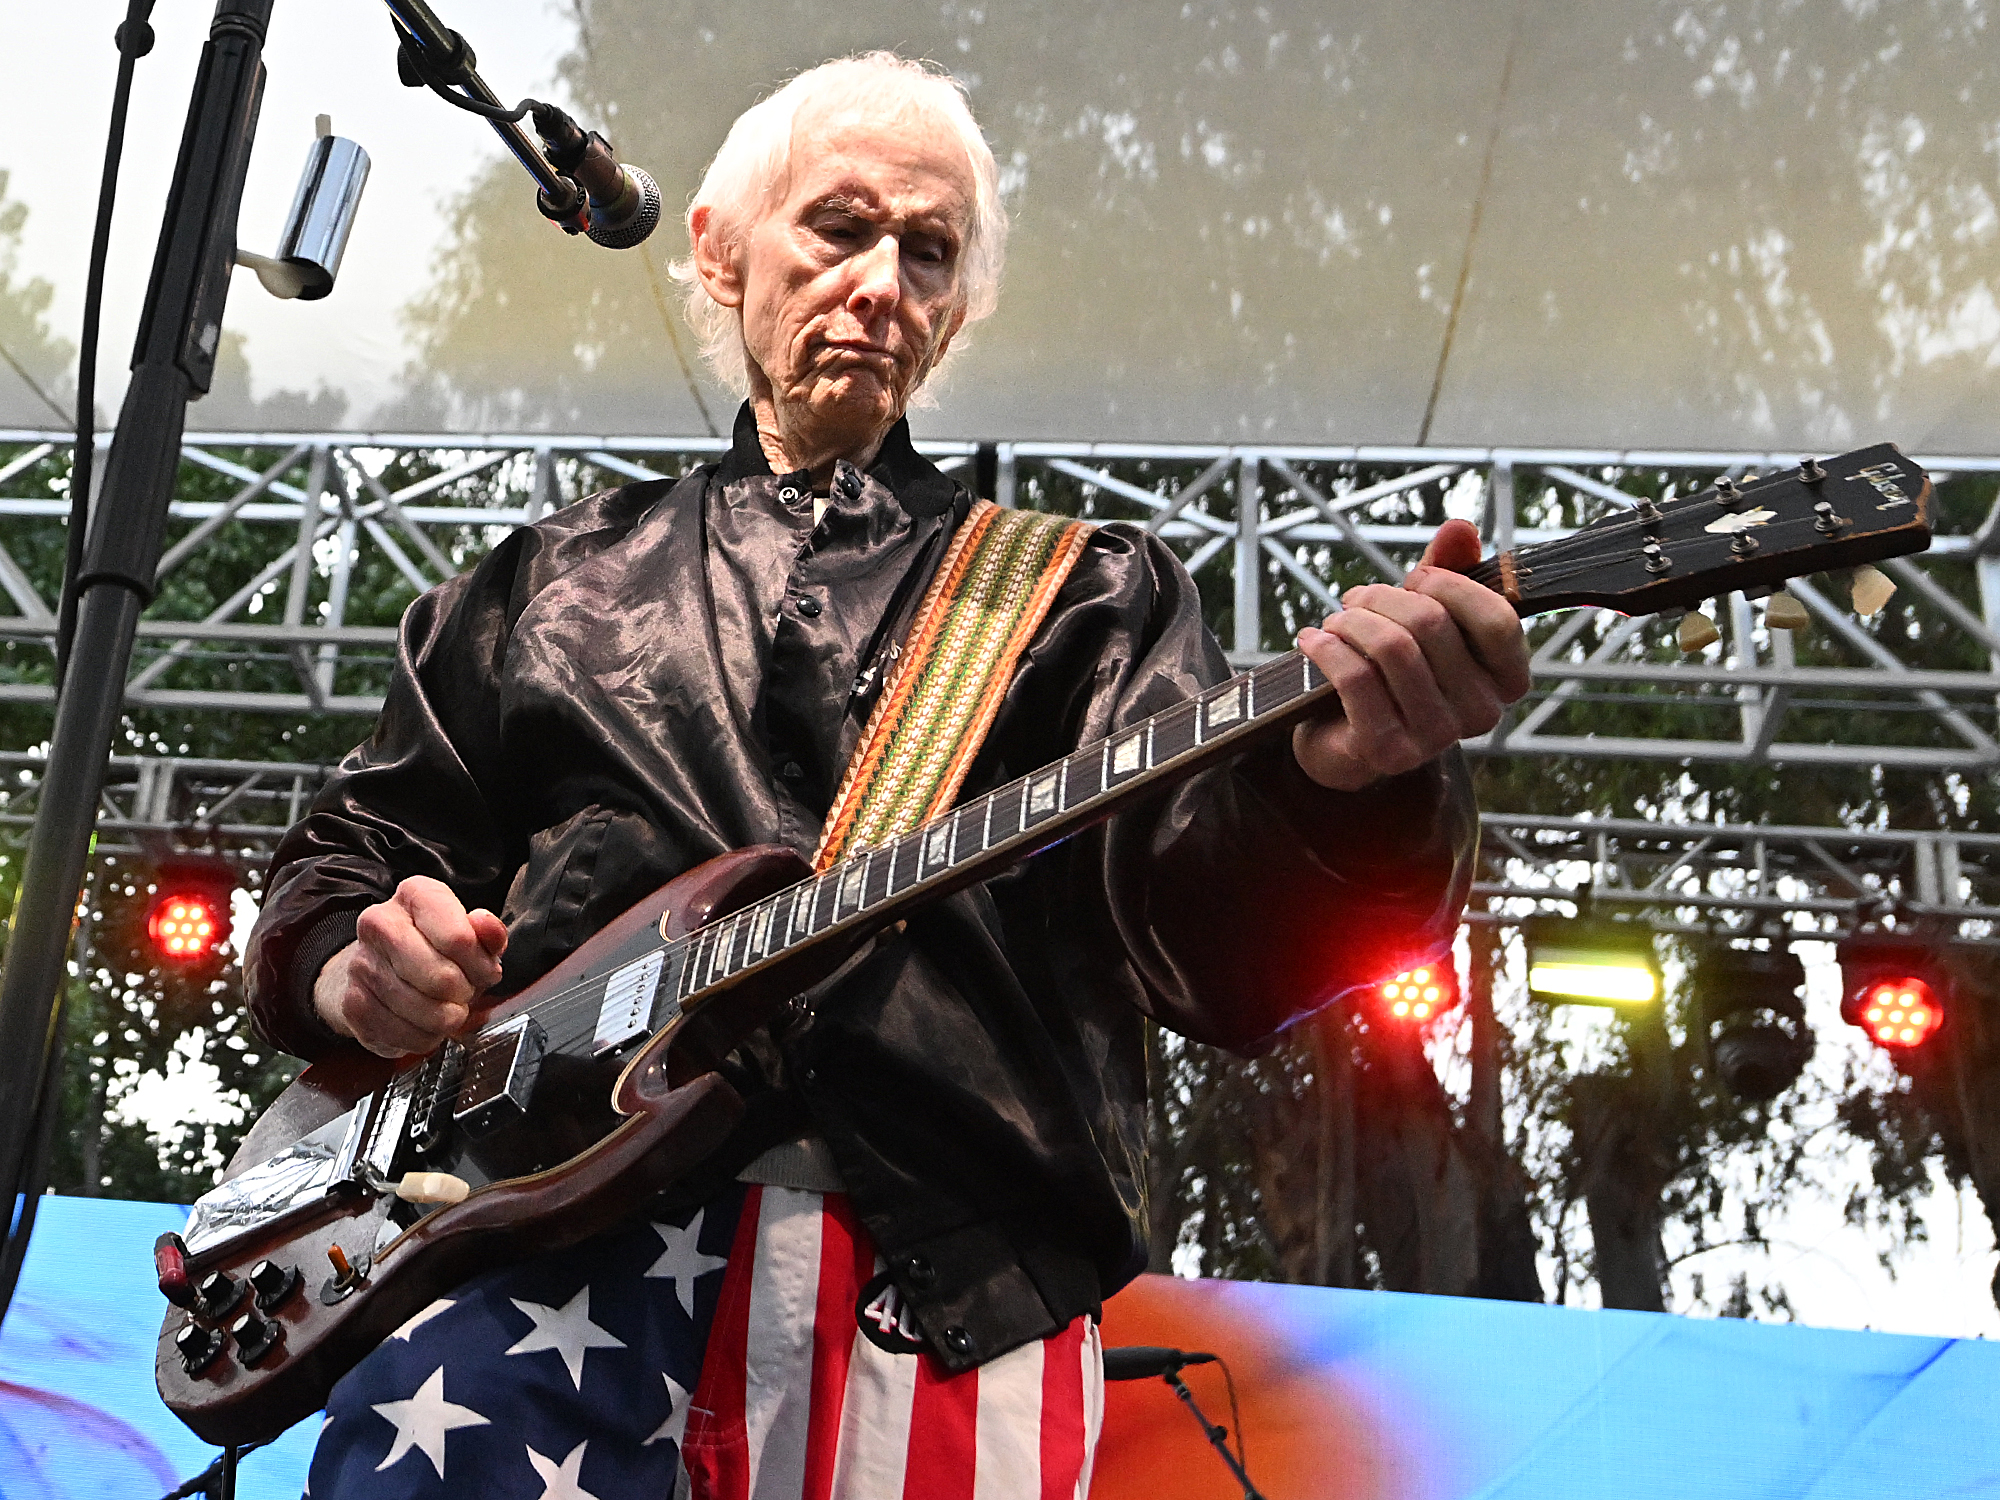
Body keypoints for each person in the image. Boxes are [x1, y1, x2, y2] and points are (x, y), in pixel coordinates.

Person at [246, 51, 1529, 1500]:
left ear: (960, 307)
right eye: (837, 228)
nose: (881, 281)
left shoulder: (1081, 596)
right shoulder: (546, 583)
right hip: (525, 1262)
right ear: (721, 253)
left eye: (927, 251)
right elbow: (343, 858)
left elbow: (1217, 950)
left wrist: (1352, 786)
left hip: (932, 1301)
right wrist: (358, 969)